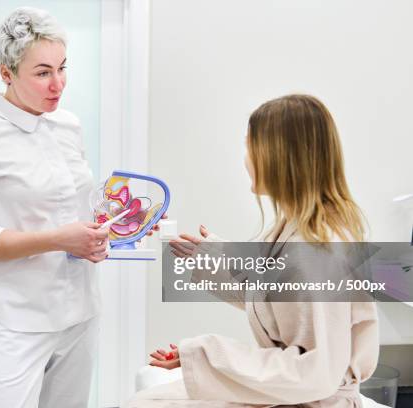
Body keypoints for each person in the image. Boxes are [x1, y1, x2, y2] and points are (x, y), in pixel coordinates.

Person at [129, 95, 379, 407]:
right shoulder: (302, 229)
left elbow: (315, 373)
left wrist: (204, 355)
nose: (246, 159)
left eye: (250, 147)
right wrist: (212, 258)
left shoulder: (315, 253)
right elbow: (276, 299)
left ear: (278, 157)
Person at [0, 7, 109, 408]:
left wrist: (106, 228)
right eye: (43, 72)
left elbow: (73, 205)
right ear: (6, 73)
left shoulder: (67, 124)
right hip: (14, 318)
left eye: (62, 68)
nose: (58, 84)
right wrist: (58, 239)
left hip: (79, 311)